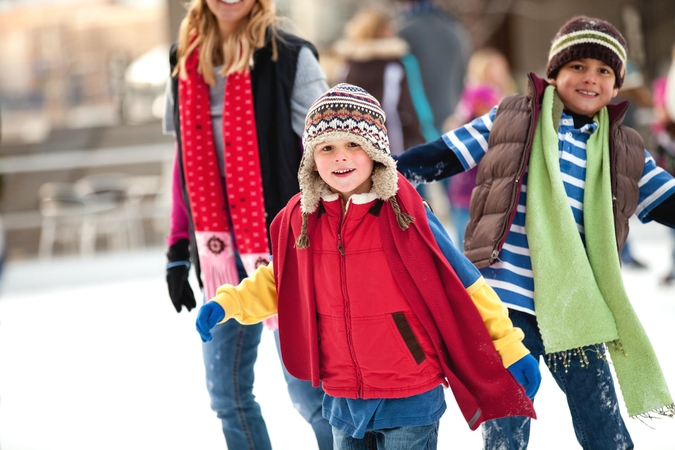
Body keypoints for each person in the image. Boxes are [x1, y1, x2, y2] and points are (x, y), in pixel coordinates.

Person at [195, 84, 540, 449]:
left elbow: (465, 285)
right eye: (327, 148)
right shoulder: (305, 219)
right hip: (343, 396)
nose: (340, 157)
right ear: (311, 157)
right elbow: (281, 280)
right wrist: (228, 303)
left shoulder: (404, 215)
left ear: (375, 152)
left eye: (353, 145)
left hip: (410, 391)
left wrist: (510, 346)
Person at [395, 16, 675, 450]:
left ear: (616, 87)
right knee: (507, 421)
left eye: (604, 71)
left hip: (575, 304)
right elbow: (448, 153)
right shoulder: (514, 118)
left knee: (602, 421)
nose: (590, 78)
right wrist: (385, 172)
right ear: (554, 73)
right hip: (506, 300)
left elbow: (666, 199)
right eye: (578, 66)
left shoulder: (625, 151)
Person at [161, 0, 332, 448]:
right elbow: (186, 161)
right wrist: (179, 249)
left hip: (286, 247)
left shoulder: (291, 57)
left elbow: (331, 154)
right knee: (227, 395)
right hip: (216, 252)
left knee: (311, 396)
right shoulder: (184, 60)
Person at [333, 6, 435, 156]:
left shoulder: (346, 67)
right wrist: (424, 137)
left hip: (356, 145)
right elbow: (412, 104)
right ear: (382, 30)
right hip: (393, 144)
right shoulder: (396, 65)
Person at [443, 48, 516, 250]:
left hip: (475, 181)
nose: (499, 73)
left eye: (501, 68)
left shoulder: (492, 95)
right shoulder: (481, 94)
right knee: (470, 242)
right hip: (475, 181)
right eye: (493, 69)